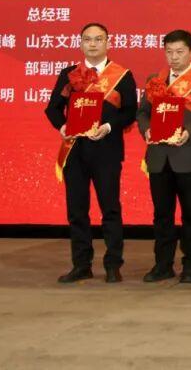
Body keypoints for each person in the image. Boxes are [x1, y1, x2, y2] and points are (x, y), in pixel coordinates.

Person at [44, 22, 137, 283]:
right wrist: (62, 127)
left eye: (98, 39)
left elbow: (130, 111)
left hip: (106, 151)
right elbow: (52, 108)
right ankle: (81, 264)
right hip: (75, 150)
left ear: (108, 42)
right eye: (87, 39)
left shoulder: (122, 75)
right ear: (81, 43)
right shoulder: (69, 74)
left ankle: (113, 265)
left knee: (110, 209)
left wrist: (108, 127)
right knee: (77, 210)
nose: (93, 44)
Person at [135, 29, 191, 284]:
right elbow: (142, 113)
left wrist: (189, 132)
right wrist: (146, 130)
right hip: (159, 158)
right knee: (162, 213)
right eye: (169, 52)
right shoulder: (155, 79)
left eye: (180, 52)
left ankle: (190, 264)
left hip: (190, 158)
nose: (174, 57)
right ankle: (163, 264)